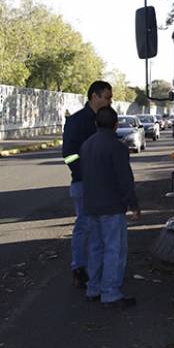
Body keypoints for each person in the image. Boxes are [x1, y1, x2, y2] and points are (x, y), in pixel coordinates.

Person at [81, 106, 140, 309]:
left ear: (96, 123)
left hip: (91, 206)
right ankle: (111, 293)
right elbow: (125, 180)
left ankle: (93, 289)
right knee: (114, 250)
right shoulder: (117, 147)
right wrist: (134, 205)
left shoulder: (87, 145)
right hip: (112, 207)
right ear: (115, 125)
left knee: (95, 248)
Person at [62, 81, 113, 288]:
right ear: (95, 96)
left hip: (103, 186)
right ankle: (79, 268)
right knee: (84, 226)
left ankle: (96, 270)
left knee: (100, 229)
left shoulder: (106, 120)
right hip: (84, 184)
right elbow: (68, 155)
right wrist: (86, 174)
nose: (110, 101)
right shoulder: (77, 121)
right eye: (107, 97)